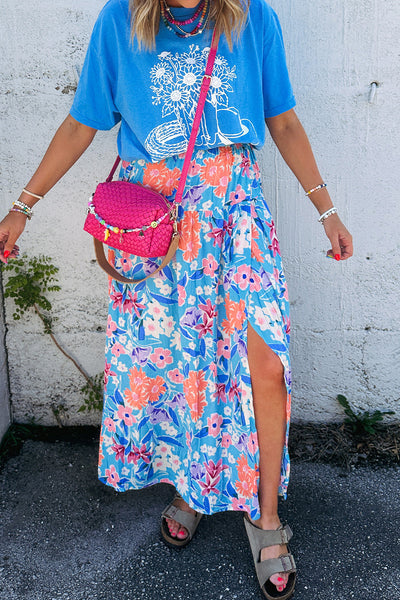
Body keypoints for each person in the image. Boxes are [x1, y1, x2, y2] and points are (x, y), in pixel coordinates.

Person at [0, 1, 353, 598]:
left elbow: (284, 120)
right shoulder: (120, 20)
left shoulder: (251, 16)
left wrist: (327, 209)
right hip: (157, 221)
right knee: (181, 365)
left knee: (263, 364)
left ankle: (267, 517)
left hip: (233, 210)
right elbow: (82, 122)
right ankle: (194, 487)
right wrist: (23, 207)